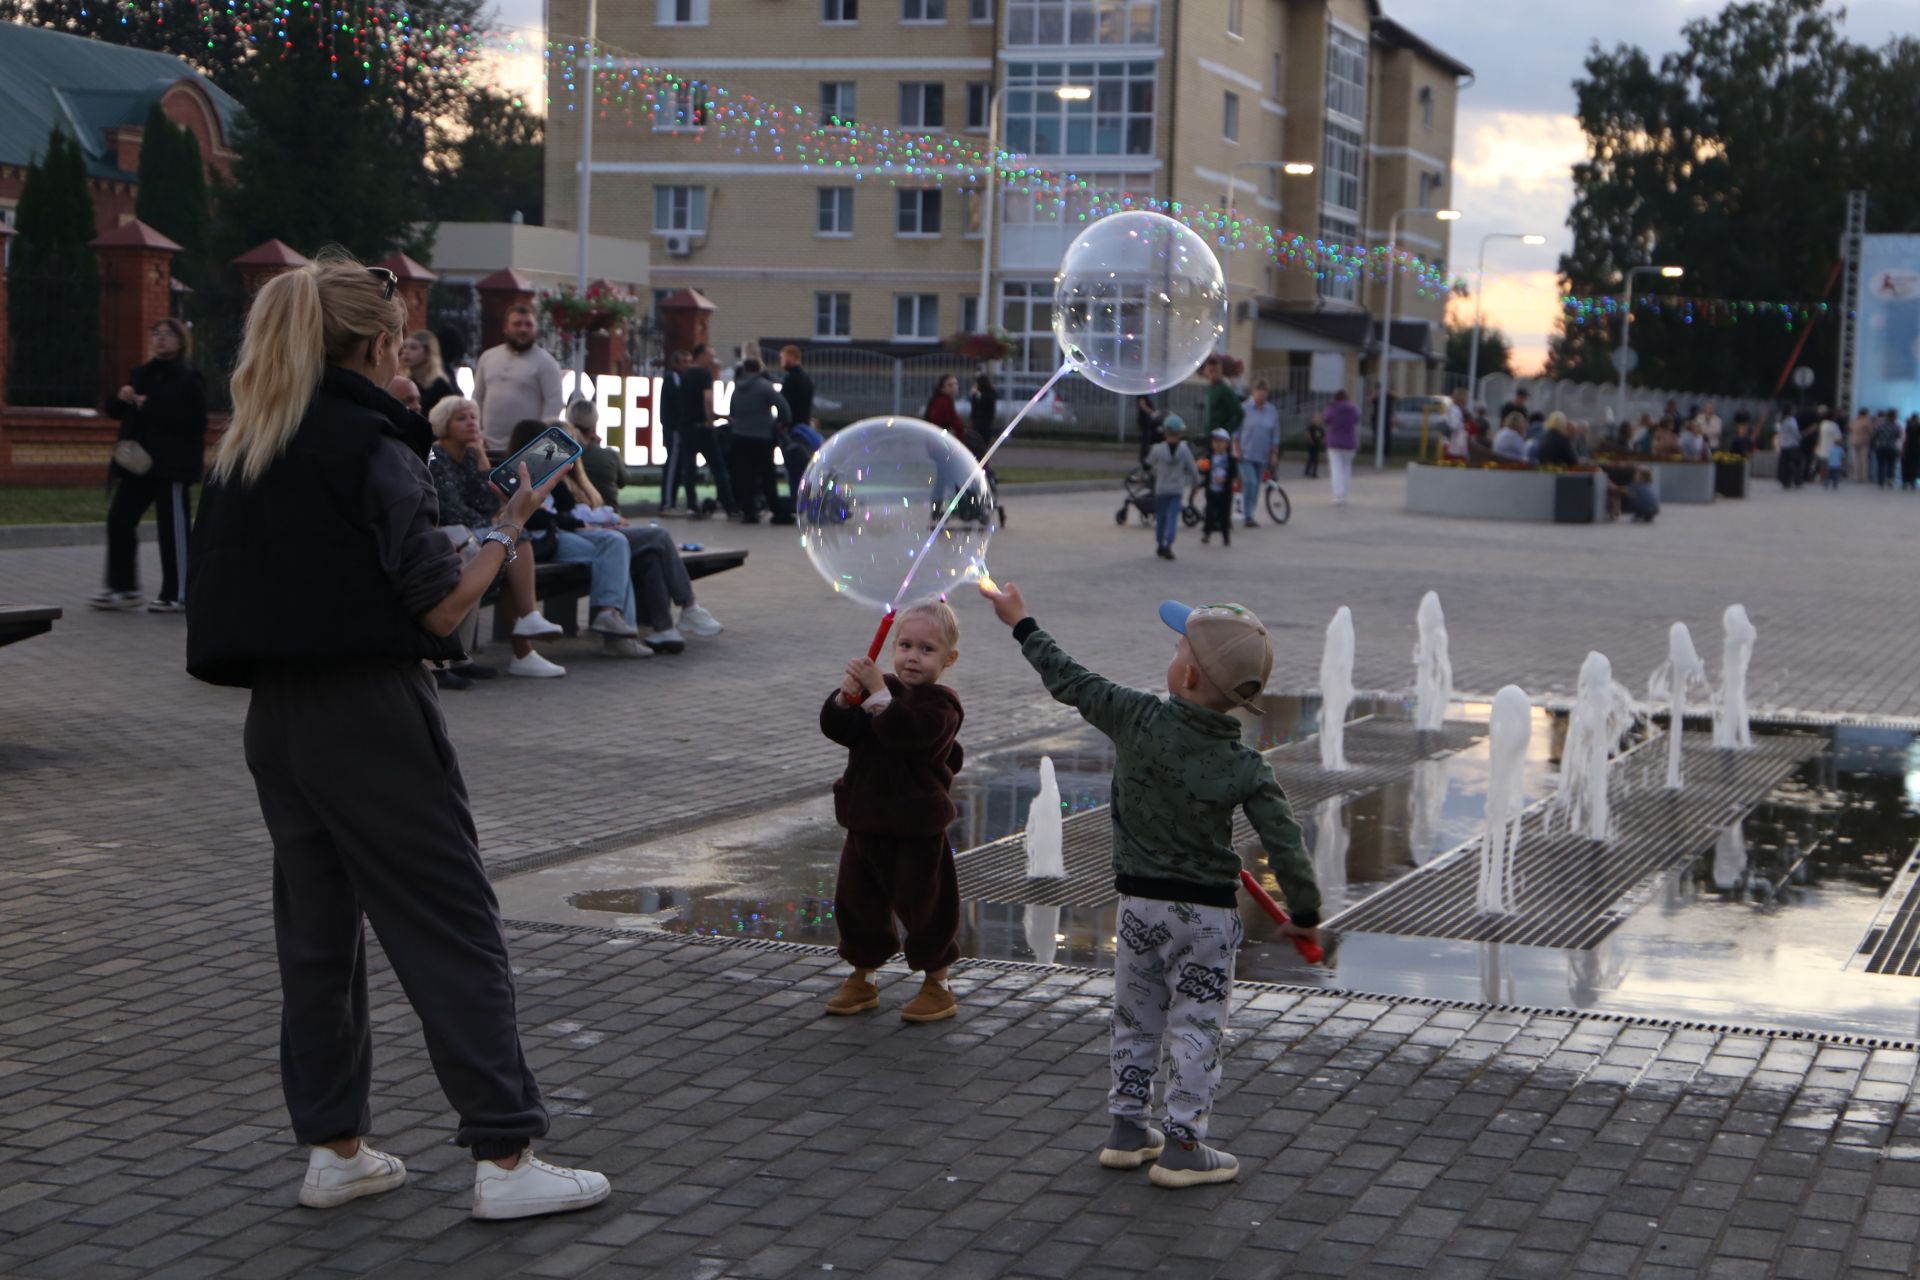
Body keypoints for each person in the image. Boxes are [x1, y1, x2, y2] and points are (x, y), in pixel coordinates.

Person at [185, 254, 609, 1218]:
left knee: (317, 937)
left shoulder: (252, 442)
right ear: (380, 345)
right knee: (450, 924)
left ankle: (335, 1148)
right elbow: (436, 606)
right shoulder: (371, 446)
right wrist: (508, 522)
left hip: (278, 720)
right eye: (403, 342)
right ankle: (506, 1158)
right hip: (370, 715)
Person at [976, 583, 1319, 1188]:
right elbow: (1285, 842)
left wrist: (1022, 621)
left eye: (1177, 646)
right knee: (1196, 1026)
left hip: (1139, 906)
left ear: (1185, 676)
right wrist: (1306, 911)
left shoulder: (1133, 716)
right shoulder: (1246, 765)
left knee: (1136, 1017)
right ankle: (1184, 1143)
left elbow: (1070, 679)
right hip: (1207, 920)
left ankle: (1127, 1127)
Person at [818, 598, 965, 1024]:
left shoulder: (942, 704)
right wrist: (845, 700)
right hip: (865, 819)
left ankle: (937, 982)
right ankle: (862, 974)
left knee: (926, 906)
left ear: (948, 658)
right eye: (904, 645)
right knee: (856, 902)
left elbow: (908, 735)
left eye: (926, 649)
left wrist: (878, 695)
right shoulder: (879, 687)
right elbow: (841, 730)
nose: (912, 658)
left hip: (915, 827)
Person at [425, 397, 568, 681]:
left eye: (473, 417)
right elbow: (448, 508)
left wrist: (480, 461)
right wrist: (493, 522)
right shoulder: (435, 456)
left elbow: (486, 500)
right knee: (513, 539)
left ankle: (519, 647)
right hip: (449, 531)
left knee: (507, 551)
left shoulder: (468, 455)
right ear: (444, 424)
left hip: (471, 531)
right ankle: (526, 625)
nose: (471, 423)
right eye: (461, 418)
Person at [547, 427, 724, 654]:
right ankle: (689, 607)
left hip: (597, 533)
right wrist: (596, 522)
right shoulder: (558, 479)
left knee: (650, 555)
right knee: (658, 537)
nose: (569, 453)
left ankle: (664, 628)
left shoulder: (576, 478)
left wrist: (604, 520)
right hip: (587, 537)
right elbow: (566, 517)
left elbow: (581, 512)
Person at [503, 419, 651, 658]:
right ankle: (619, 632)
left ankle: (609, 614)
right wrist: (570, 520)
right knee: (615, 555)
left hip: (556, 534)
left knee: (616, 543)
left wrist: (555, 476)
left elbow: (566, 506)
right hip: (539, 540)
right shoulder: (512, 475)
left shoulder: (542, 469)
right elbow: (533, 518)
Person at [96, 317, 207, 613]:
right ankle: (124, 588)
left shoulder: (188, 377)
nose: (160, 339)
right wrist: (122, 398)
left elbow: (194, 423)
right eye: (156, 334)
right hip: (138, 465)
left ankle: (178, 593)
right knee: (119, 520)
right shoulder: (142, 373)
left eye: (168, 334)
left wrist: (150, 405)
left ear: (181, 341)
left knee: (173, 531)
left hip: (171, 468)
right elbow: (116, 411)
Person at [473, 305, 563, 454]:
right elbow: (477, 398)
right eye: (517, 324)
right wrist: (478, 434)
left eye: (528, 324)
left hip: (524, 448)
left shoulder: (546, 362)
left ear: (536, 329)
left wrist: (539, 443)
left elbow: (553, 405)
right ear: (506, 327)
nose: (523, 329)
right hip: (487, 445)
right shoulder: (488, 357)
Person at [726, 358, 793, 524]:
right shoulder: (765, 387)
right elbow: (783, 406)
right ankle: (777, 512)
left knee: (745, 475)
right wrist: (782, 422)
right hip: (762, 437)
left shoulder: (737, 388)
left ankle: (749, 512)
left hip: (740, 436)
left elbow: (732, 411)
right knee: (767, 475)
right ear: (759, 369)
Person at [682, 343, 735, 517]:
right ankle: (730, 507)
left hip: (687, 427)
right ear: (701, 356)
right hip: (703, 428)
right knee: (719, 468)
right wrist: (711, 420)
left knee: (689, 468)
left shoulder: (685, 374)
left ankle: (691, 505)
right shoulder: (704, 374)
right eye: (710, 355)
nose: (713, 360)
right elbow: (707, 398)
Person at [1145, 415, 1200, 560]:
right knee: (1172, 517)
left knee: (1161, 518)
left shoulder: (1157, 449)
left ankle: (1160, 544)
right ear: (1181, 433)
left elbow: (1148, 464)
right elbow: (1193, 469)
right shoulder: (1184, 450)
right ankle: (1169, 544)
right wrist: (1196, 485)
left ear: (1164, 432)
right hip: (1176, 490)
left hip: (1161, 489)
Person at [565, 395, 630, 512]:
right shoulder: (610, 455)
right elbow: (623, 481)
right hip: (608, 520)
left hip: (573, 520)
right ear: (594, 425)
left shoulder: (561, 457)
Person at [658, 350, 699, 515]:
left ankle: (671, 502)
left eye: (689, 361)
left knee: (678, 465)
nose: (687, 365)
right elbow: (676, 403)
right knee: (673, 465)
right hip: (675, 429)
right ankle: (667, 503)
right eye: (684, 361)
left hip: (678, 428)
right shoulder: (673, 378)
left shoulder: (681, 378)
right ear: (675, 363)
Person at [1236, 380, 1279, 527]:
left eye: (1264, 394)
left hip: (1262, 454)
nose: (1261, 396)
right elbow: (1236, 431)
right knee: (1250, 482)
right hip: (1245, 453)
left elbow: (1275, 434)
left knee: (1256, 486)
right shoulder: (1244, 408)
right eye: (1258, 393)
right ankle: (1247, 514)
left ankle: (1250, 514)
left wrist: (1274, 453)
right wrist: (1236, 448)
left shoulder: (1271, 410)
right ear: (1253, 393)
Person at [779, 345, 817, 508]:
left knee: (794, 467)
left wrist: (782, 424)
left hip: (793, 429)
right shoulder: (806, 379)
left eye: (783, 358)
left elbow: (785, 405)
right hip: (805, 428)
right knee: (804, 467)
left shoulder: (791, 380)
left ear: (791, 358)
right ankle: (806, 500)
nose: (781, 362)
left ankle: (797, 501)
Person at [400, 330, 458, 417]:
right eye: (404, 347)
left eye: (413, 348)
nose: (406, 352)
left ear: (428, 352)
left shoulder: (440, 386)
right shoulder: (405, 382)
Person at [1322, 389, 1359, 503]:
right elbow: (1357, 418)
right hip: (1349, 443)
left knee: (1336, 469)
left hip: (1334, 443)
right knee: (1347, 468)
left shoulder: (1332, 409)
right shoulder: (1353, 409)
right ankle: (1344, 494)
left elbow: (1325, 419)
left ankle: (1338, 495)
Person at [1200, 429, 1235, 547]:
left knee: (1224, 515)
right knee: (1210, 513)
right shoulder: (1208, 456)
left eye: (1221, 441)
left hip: (1225, 492)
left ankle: (1226, 537)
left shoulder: (1230, 459)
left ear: (1227, 444)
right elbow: (1203, 470)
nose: (1218, 444)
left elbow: (1234, 473)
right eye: (1215, 441)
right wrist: (1201, 467)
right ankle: (1206, 534)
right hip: (1211, 491)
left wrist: (1226, 479)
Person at [1204, 358, 1243, 439]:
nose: (1213, 374)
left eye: (1216, 371)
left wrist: (1226, 432)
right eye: (1211, 371)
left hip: (1220, 440)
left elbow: (1239, 413)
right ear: (1206, 372)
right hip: (1209, 436)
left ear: (1221, 371)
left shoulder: (1225, 390)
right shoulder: (1209, 389)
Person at [923, 373, 967, 439]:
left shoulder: (947, 401)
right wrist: (947, 436)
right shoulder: (942, 402)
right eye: (950, 385)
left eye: (956, 384)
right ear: (942, 388)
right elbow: (938, 426)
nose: (954, 387)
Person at [968, 372, 997, 454]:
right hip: (978, 424)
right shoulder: (980, 394)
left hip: (984, 425)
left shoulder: (989, 394)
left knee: (981, 447)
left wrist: (976, 395)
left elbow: (983, 405)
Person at [1873, 411, 1902, 489]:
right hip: (1892, 447)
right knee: (1891, 464)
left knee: (1881, 465)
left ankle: (1881, 481)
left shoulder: (1880, 425)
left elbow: (1875, 435)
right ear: (1894, 417)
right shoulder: (1896, 426)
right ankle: (1890, 480)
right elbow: (1898, 436)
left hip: (1881, 447)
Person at [1135, 395, 1165, 466]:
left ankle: (1145, 458)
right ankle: (1144, 459)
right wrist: (1152, 412)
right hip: (1145, 420)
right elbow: (1142, 405)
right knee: (1146, 440)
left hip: (1146, 420)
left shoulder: (1144, 394)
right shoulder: (1142, 394)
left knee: (1147, 439)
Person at [1441, 387, 1469, 461]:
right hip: (1454, 443)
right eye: (1465, 397)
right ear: (1460, 398)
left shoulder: (1451, 408)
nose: (1466, 400)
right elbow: (1454, 426)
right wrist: (1463, 427)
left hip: (1450, 441)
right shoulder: (1455, 410)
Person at [1849, 409, 1874, 484]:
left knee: (1856, 459)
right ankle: (1863, 477)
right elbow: (1871, 431)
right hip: (1864, 442)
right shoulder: (1867, 421)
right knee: (1864, 460)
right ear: (1865, 413)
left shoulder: (1855, 421)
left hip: (1854, 441)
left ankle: (1856, 476)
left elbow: (1850, 429)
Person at [1303, 412, 1325, 478]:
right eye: (1316, 418)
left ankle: (1307, 471)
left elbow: (1323, 435)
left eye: (1319, 418)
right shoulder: (1311, 426)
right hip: (1311, 445)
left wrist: (1323, 441)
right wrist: (1310, 440)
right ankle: (1314, 473)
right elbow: (1307, 433)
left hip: (1317, 445)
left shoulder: (1320, 428)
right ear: (1313, 419)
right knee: (1315, 459)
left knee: (1311, 458)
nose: (1317, 419)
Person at [1904, 413, 1920, 491]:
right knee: (1915, 465)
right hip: (1916, 448)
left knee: (1907, 464)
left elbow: (1905, 437)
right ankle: (1913, 481)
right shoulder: (1918, 426)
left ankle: (1906, 481)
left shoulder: (1908, 426)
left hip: (1908, 447)